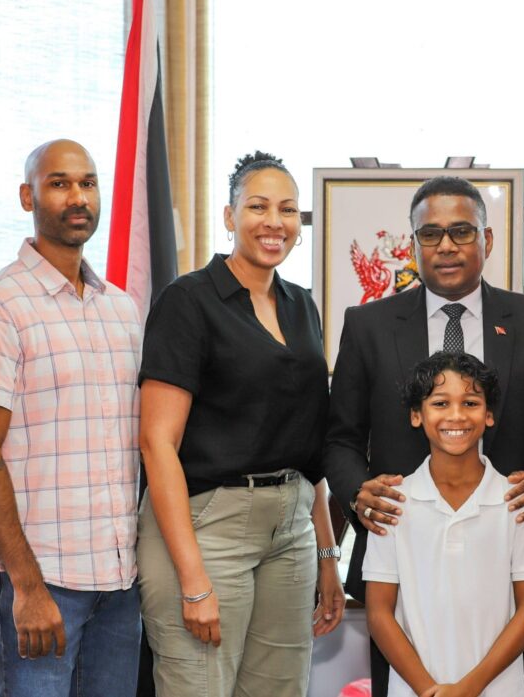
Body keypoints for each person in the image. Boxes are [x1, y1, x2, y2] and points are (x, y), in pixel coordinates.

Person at [324, 175, 524, 696]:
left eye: (462, 231)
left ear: (486, 239)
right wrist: (359, 494)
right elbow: (339, 440)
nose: (446, 245)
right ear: (414, 244)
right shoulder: (368, 325)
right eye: (431, 234)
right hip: (402, 554)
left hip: (504, 556)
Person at [136, 151, 344, 697]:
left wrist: (327, 556)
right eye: (258, 206)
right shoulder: (188, 301)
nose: (274, 222)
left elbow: (309, 445)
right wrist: (192, 578)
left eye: (288, 209)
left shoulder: (302, 306)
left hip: (292, 527)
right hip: (207, 528)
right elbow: (157, 443)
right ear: (230, 216)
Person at [0, 139, 143, 696]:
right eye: (59, 183)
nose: (77, 196)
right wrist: (27, 586)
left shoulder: (122, 310)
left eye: (88, 183)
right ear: (27, 196)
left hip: (118, 585)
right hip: (38, 585)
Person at [364, 351, 524, 696]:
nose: (456, 415)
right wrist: (429, 689)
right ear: (416, 415)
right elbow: (378, 614)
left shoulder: (519, 501)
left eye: (470, 402)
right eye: (440, 403)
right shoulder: (392, 503)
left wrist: (467, 688)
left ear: (489, 414)